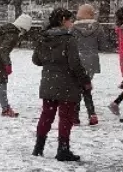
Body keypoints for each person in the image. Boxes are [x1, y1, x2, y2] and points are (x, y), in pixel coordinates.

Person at [32, 9, 91, 162]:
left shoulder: (43, 37)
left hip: (48, 81)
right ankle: (63, 150)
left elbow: (36, 60)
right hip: (67, 82)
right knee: (66, 117)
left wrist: (50, 61)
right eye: (70, 20)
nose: (71, 24)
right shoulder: (68, 38)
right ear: (63, 19)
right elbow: (74, 63)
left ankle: (38, 147)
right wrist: (85, 80)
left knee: (46, 115)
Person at [0, 14, 32, 117]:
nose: (24, 33)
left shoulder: (4, 30)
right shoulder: (12, 34)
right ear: (23, 27)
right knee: (1, 83)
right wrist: (7, 64)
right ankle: (6, 109)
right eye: (25, 30)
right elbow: (3, 50)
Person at [72, 4, 110, 126]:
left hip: (77, 59)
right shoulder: (97, 27)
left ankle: (75, 116)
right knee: (86, 86)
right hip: (92, 60)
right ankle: (92, 114)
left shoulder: (73, 28)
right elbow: (103, 45)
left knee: (77, 88)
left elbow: (69, 43)